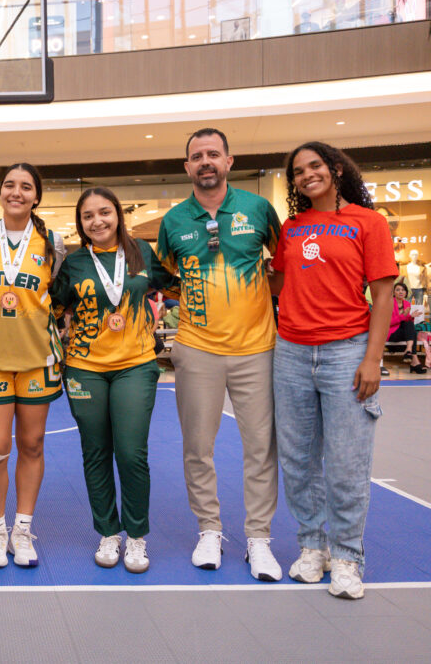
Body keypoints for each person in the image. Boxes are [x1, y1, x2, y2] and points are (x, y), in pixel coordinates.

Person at [270, 141, 397, 599]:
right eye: (298, 172)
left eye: (314, 166)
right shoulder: (292, 228)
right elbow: (279, 283)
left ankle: (346, 557)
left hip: (348, 352)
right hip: (291, 354)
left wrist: (372, 358)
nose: (306, 176)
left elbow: (382, 296)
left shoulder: (369, 222)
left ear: (336, 169)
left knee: (346, 463)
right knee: (299, 462)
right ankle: (312, 547)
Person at [155, 127, 284, 581]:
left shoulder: (258, 209)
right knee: (197, 448)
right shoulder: (173, 222)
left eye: (213, 154)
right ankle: (209, 529)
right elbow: (166, 278)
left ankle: (259, 539)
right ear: (187, 167)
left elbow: (283, 266)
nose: (205, 161)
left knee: (261, 449)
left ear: (230, 160)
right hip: (196, 349)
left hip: (258, 350)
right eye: (197, 156)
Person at [50, 187, 178, 573]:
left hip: (135, 365)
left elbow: (175, 287)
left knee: (131, 452)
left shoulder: (142, 252)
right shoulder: (73, 264)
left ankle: (136, 536)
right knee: (96, 452)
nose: (97, 221)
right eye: (88, 216)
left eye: (104, 212)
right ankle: (108, 531)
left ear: (118, 215)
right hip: (85, 367)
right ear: (81, 223)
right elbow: (51, 307)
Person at [0, 163, 66, 568]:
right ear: (0, 192)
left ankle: (22, 528)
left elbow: (52, 295)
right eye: (9, 185)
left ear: (36, 196)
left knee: (33, 444)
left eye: (25, 187)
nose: (16, 192)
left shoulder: (52, 240)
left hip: (37, 357)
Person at [387, 282, 427, 373]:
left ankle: (409, 351)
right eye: (398, 290)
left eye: (403, 290)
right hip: (392, 333)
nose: (401, 292)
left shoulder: (407, 303)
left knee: (410, 326)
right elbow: (388, 323)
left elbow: (407, 324)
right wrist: (404, 316)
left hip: (403, 333)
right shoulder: (389, 303)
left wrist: (411, 316)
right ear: (394, 292)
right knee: (412, 332)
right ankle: (415, 362)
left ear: (406, 293)